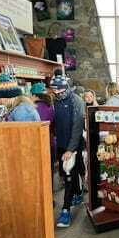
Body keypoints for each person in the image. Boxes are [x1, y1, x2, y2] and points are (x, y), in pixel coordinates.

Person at [50, 73, 86, 228]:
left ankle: (65, 211)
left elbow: (77, 127)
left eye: (59, 90)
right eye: (54, 91)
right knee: (73, 170)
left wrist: (70, 149)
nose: (57, 93)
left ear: (66, 88)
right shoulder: (55, 101)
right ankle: (78, 194)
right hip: (61, 145)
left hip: (74, 144)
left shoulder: (76, 101)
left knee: (69, 175)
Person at [32, 82, 56, 175]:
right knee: (49, 171)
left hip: (39, 144)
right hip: (51, 142)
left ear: (34, 95)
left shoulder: (34, 108)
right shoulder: (50, 106)